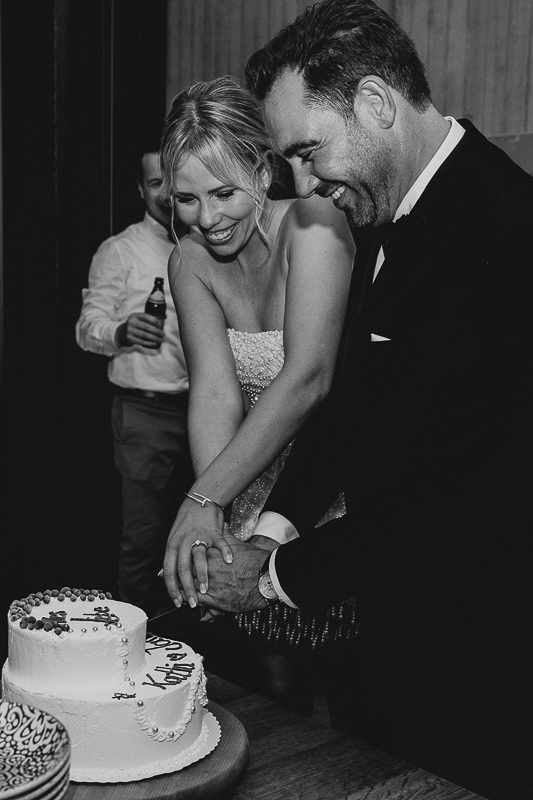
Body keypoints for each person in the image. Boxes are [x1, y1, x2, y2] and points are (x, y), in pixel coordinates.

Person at [164, 2, 533, 799]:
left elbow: (460, 496)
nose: (298, 183)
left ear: (374, 105)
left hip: (479, 640)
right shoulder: (382, 212)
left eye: (305, 150)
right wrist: (268, 527)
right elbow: (354, 406)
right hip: (398, 625)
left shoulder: (507, 232)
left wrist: (273, 577)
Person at [76, 147, 193, 619]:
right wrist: (120, 332)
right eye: (154, 182)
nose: (166, 192)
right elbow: (87, 327)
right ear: (141, 190)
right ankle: (133, 645)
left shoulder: (205, 244)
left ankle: (192, 648)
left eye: (172, 179)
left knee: (195, 535)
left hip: (207, 411)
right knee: (144, 539)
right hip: (145, 413)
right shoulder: (120, 250)